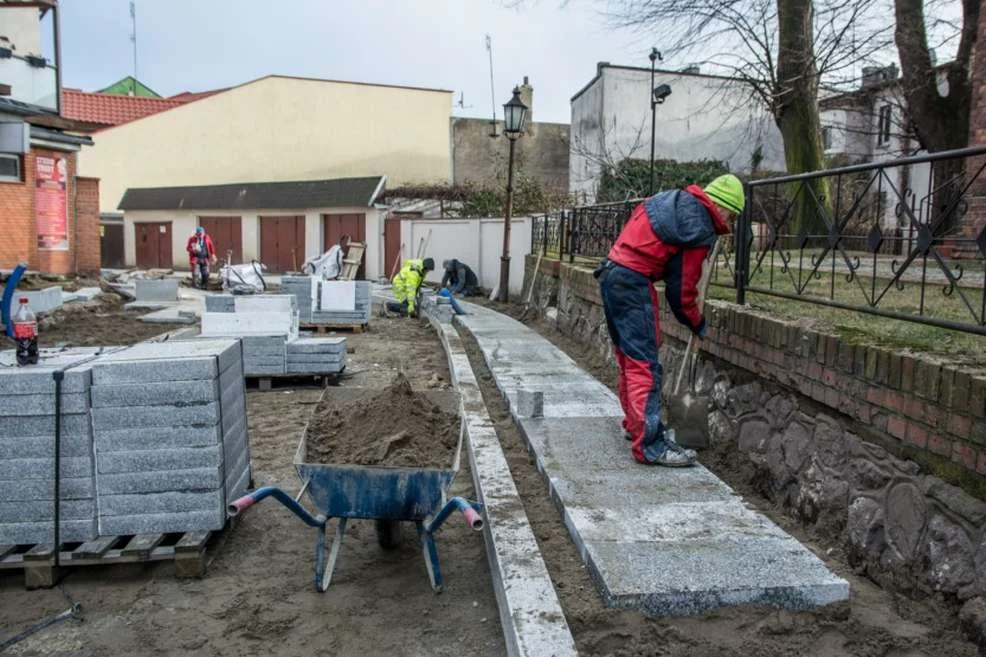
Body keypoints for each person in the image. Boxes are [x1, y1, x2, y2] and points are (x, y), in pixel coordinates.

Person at [595, 174, 744, 467]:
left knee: (628, 357)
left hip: (611, 273)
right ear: (725, 209)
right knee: (644, 364)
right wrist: (696, 321)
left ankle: (635, 426)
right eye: (733, 216)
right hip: (633, 281)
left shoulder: (671, 201)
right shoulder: (699, 226)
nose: (730, 221)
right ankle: (650, 445)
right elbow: (682, 290)